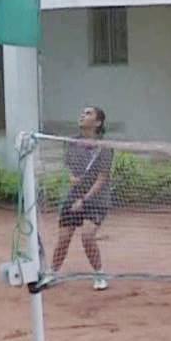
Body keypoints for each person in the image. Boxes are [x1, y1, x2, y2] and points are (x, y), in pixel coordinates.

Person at [51, 105, 114, 291]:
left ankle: (99, 274)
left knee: (87, 236)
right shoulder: (71, 142)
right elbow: (69, 166)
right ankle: (52, 274)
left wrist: (84, 201)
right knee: (63, 238)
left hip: (97, 200)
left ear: (98, 122)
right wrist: (72, 177)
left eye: (88, 113)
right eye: (82, 112)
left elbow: (102, 179)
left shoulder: (104, 148)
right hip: (74, 196)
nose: (82, 115)